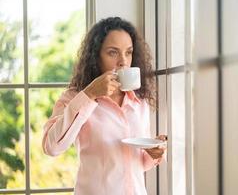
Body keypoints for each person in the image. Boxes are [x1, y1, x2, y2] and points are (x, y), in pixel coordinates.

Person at [42, 17, 167, 195]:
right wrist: (90, 94)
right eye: (113, 52)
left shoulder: (139, 102)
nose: (123, 61)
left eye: (129, 52)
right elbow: (52, 147)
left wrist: (153, 153)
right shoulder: (75, 98)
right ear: (96, 57)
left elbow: (135, 163)